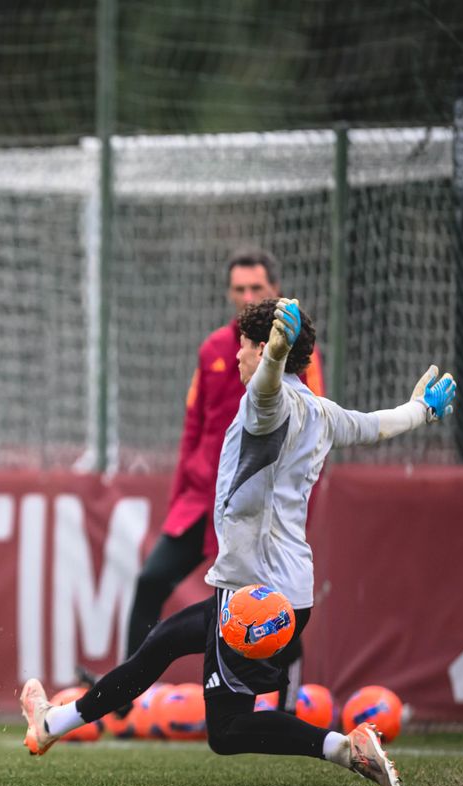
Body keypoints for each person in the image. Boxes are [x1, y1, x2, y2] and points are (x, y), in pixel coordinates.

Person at [22, 296, 456, 786]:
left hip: (250, 598)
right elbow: (376, 425)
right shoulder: (322, 411)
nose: (237, 357)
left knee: (226, 731)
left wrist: (272, 354)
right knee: (161, 643)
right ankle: (52, 724)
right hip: (289, 595)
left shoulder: (263, 403)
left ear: (267, 347)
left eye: (245, 347)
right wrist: (421, 410)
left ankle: (344, 747)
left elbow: (268, 386)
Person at [120, 247, 323, 715]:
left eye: (256, 288)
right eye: (239, 289)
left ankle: (287, 704)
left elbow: (314, 430)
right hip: (199, 502)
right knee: (151, 580)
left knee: (276, 606)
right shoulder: (215, 349)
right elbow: (192, 428)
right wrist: (180, 500)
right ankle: (128, 699)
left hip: (254, 512)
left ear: (274, 291)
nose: (246, 296)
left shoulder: (294, 357)